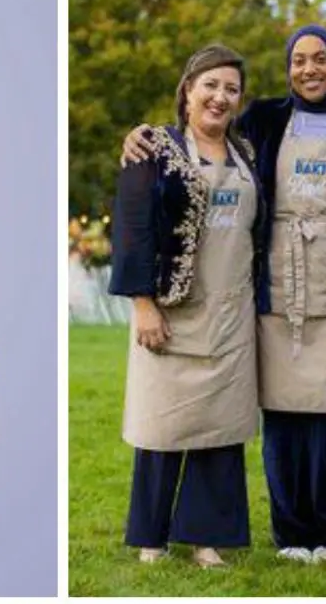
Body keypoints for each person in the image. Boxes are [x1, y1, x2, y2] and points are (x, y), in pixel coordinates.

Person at [123, 26, 326, 564]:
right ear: (188, 89)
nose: (310, 69)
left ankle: (289, 536)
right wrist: (137, 135)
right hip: (226, 301)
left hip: (289, 296)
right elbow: (141, 214)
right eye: (299, 59)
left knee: (259, 424)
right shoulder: (240, 130)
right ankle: (191, 535)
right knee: (208, 422)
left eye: (321, 59)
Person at [108, 44, 261, 569]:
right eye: (210, 85)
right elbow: (131, 228)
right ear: (188, 90)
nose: (220, 97)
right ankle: (151, 536)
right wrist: (143, 304)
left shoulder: (248, 155)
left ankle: (205, 538)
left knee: (220, 427)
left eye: (231, 89)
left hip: (231, 310)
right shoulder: (153, 147)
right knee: (161, 424)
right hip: (171, 311)